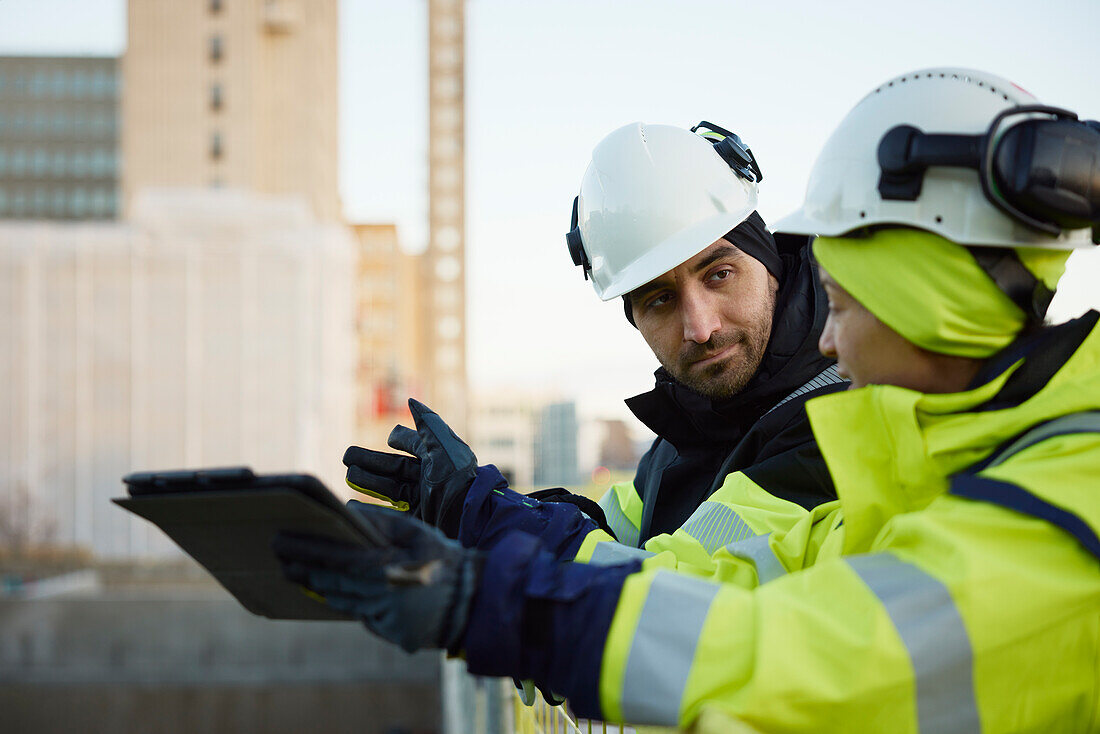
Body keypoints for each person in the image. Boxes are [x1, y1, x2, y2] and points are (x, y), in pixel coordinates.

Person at [274, 67, 1100, 732]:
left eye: (842, 306)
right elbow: (700, 574)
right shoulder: (913, 465)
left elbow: (783, 645)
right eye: (659, 300)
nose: (828, 342)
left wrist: (486, 590)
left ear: (925, 303)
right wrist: (482, 513)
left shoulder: (1048, 503)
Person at [343, 121, 845, 577]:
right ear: (635, 319)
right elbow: (607, 535)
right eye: (660, 300)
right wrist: (478, 515)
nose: (700, 327)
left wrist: (489, 520)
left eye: (719, 274)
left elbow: (676, 595)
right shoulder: (689, 431)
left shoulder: (843, 414)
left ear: (770, 261)